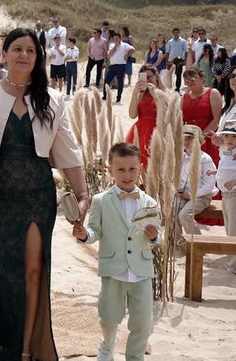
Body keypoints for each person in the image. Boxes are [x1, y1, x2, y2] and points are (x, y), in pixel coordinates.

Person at [0, 27, 88, 360]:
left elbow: (68, 151)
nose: (24, 55)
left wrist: (82, 194)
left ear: (38, 57)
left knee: (33, 270)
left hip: (36, 196)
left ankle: (26, 349)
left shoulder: (53, 99)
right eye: (17, 48)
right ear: (4, 53)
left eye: (31, 50)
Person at [73, 143, 160, 361]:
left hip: (141, 270)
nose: (127, 175)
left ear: (140, 168)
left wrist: (154, 237)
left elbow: (159, 234)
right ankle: (107, 346)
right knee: (109, 317)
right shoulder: (101, 200)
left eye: (132, 169)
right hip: (113, 270)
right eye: (120, 169)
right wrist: (84, 234)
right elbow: (95, 230)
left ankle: (135, 357)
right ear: (110, 169)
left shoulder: (150, 202)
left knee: (142, 322)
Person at [210, 120, 236, 275]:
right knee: (231, 229)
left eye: (234, 136)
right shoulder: (227, 151)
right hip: (226, 197)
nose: (229, 139)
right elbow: (228, 169)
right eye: (226, 135)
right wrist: (216, 173)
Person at [175, 125, 217, 239]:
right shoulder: (182, 157)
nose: (187, 141)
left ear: (199, 141)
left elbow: (209, 185)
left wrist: (191, 195)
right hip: (184, 194)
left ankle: (198, 244)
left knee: (184, 215)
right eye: (185, 138)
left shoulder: (205, 159)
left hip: (202, 196)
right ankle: (178, 246)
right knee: (172, 212)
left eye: (190, 138)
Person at [181, 67, 221, 166]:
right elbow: (180, 121)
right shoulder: (184, 97)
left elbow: (216, 120)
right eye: (186, 79)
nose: (189, 80)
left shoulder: (213, 93)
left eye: (193, 77)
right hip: (188, 141)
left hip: (207, 139)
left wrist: (200, 138)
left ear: (202, 78)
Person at [126, 65, 164, 168]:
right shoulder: (141, 95)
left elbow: (165, 114)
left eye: (150, 77)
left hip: (157, 131)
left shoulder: (163, 93)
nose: (147, 80)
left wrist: (155, 94)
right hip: (141, 132)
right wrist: (135, 92)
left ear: (156, 76)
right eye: (144, 77)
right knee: (141, 164)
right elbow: (132, 114)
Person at [102, 33, 135, 104]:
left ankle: (118, 97)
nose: (116, 40)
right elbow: (110, 55)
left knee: (120, 82)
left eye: (117, 38)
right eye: (114, 38)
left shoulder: (125, 45)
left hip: (121, 66)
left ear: (120, 38)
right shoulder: (111, 45)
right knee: (107, 80)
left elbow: (133, 49)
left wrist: (127, 55)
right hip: (112, 66)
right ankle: (105, 96)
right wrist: (115, 47)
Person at [165, 28, 188, 93]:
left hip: (179, 60)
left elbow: (186, 51)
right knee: (169, 74)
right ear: (172, 33)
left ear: (179, 33)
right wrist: (166, 61)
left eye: (177, 32)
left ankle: (177, 88)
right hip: (171, 60)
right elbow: (167, 52)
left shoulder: (183, 41)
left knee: (178, 74)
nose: (176, 34)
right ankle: (169, 87)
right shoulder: (170, 42)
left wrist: (185, 60)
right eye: (174, 32)